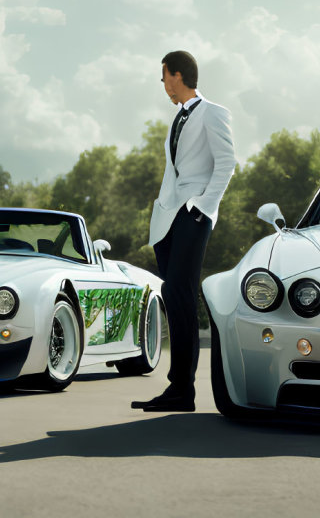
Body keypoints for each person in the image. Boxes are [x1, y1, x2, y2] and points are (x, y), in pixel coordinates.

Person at [131, 50, 235, 412]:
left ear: (177, 75)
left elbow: (227, 164)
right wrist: (162, 209)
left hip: (192, 215)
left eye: (164, 77)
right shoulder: (177, 117)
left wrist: (202, 208)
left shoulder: (213, 112)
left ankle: (181, 390)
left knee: (182, 294)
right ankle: (180, 391)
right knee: (174, 295)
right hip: (169, 218)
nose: (163, 85)